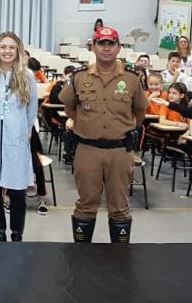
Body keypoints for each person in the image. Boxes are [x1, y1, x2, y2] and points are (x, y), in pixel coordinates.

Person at [60, 26, 148, 243]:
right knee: (86, 204)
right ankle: (81, 258)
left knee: (119, 206)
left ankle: (119, 260)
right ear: (93, 47)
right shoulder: (79, 77)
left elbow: (140, 112)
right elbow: (70, 107)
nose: (106, 48)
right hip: (87, 149)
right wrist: (88, 125)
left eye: (111, 44)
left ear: (119, 48)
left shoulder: (132, 78)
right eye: (102, 43)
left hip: (120, 151)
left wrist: (121, 128)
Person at [0, 32, 37, 242]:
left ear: (18, 50)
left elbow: (31, 109)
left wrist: (22, 130)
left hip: (16, 139)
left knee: (17, 189)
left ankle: (17, 234)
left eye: (12, 47)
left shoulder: (27, 75)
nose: (7, 51)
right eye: (3, 47)